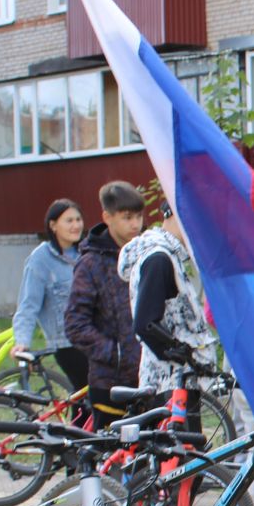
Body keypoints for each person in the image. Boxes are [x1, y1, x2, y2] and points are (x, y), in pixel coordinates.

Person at [64, 181, 146, 423]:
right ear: (107, 217)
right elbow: (75, 324)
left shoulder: (148, 252)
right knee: (115, 458)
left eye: (139, 216)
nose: (135, 224)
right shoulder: (90, 263)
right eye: (127, 217)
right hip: (110, 383)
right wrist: (117, 353)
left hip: (152, 378)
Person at [121, 208, 216, 395]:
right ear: (172, 214)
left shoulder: (170, 255)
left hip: (176, 381)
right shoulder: (159, 258)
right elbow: (145, 324)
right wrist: (181, 353)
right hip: (168, 383)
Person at [12, 198, 88, 394]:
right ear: (53, 225)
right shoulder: (41, 259)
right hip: (67, 343)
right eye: (69, 220)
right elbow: (28, 305)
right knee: (88, 397)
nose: (76, 225)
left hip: (94, 337)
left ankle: (76, 424)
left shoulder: (86, 253)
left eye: (78, 219)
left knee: (89, 400)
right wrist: (22, 343)